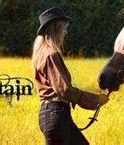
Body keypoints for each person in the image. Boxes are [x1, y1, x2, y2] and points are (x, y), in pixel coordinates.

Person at [31, 7, 109, 145]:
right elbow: (64, 90)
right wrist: (96, 100)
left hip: (50, 116)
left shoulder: (42, 54)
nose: (65, 33)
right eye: (63, 28)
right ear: (55, 29)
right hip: (56, 115)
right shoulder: (51, 54)